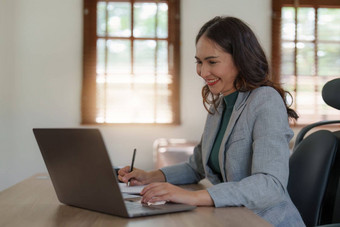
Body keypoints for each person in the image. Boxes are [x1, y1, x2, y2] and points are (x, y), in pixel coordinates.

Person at [118, 16, 305, 226]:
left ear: (240, 59)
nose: (203, 72)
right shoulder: (220, 105)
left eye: (212, 62)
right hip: (232, 218)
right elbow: (197, 166)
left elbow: (270, 185)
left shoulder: (265, 100)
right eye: (199, 62)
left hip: (267, 221)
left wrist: (193, 197)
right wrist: (150, 176)